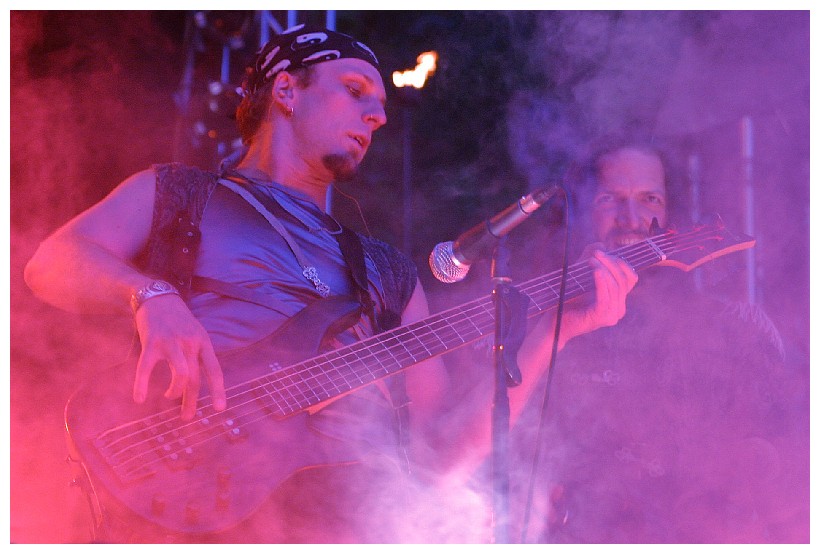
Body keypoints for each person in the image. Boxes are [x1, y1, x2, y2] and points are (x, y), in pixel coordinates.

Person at [23, 25, 637, 543]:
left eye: (381, 106)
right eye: (355, 91)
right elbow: (49, 263)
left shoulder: (387, 272)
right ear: (286, 90)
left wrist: (554, 332)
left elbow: (439, 455)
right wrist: (151, 296)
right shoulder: (179, 193)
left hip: (326, 526)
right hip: (170, 496)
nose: (377, 115)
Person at [508, 140, 797, 543]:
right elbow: (497, 445)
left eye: (650, 199)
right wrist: (527, 483)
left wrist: (741, 469)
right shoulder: (544, 329)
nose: (631, 219)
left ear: (671, 214)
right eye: (610, 199)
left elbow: (787, 449)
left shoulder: (736, 329)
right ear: (581, 211)